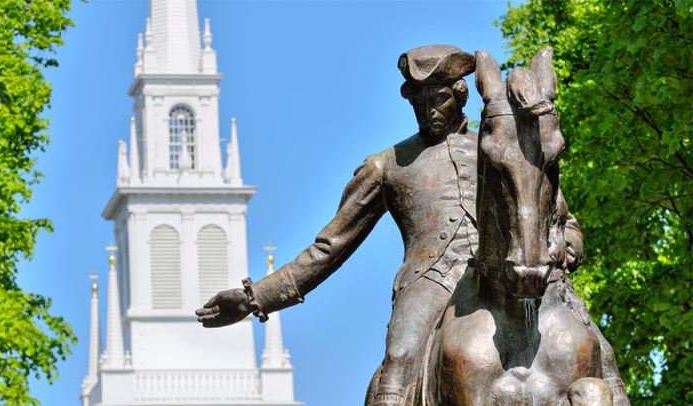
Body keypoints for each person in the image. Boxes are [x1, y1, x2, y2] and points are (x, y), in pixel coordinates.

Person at [196, 45, 584, 406]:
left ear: (461, 94)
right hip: (430, 281)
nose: (428, 109)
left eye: (438, 98)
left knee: (586, 337)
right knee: (399, 362)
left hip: (504, 270)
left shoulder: (498, 145)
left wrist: (569, 241)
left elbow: (553, 210)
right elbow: (329, 248)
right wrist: (254, 299)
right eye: (419, 101)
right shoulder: (386, 166)